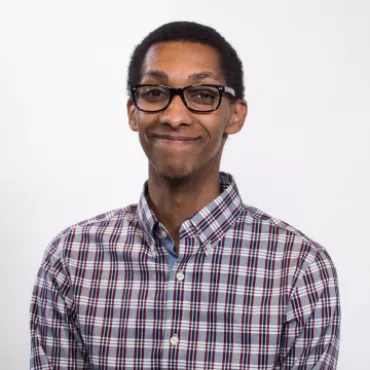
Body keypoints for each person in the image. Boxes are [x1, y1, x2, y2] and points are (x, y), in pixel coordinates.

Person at [30, 21, 340, 369]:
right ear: (133, 111)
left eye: (203, 95)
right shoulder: (71, 258)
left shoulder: (299, 268)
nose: (175, 116)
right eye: (155, 93)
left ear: (235, 116)